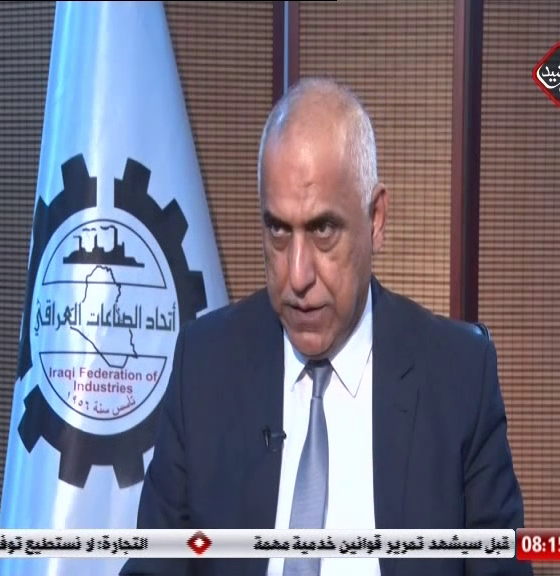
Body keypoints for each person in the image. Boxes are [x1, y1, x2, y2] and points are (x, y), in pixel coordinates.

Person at [120, 77, 532, 576]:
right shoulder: (204, 368)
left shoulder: (459, 377)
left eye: (323, 230)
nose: (297, 276)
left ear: (376, 219)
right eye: (278, 230)